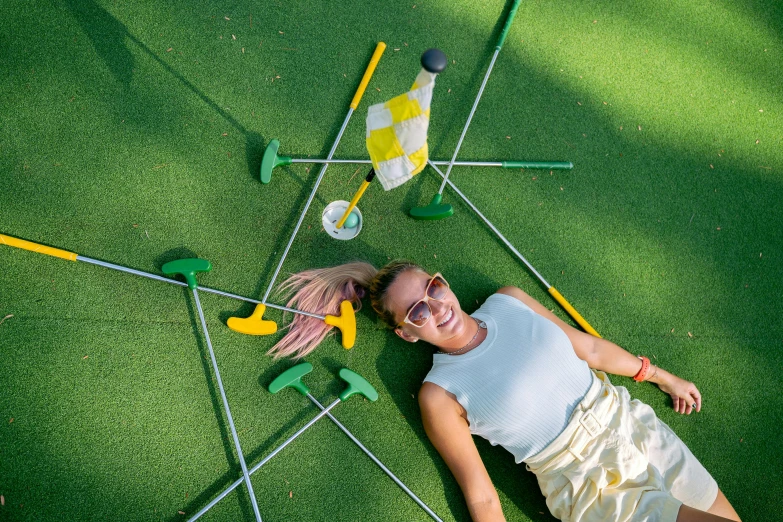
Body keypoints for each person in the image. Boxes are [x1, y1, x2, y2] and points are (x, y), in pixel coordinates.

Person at [268, 260, 742, 522]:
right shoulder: (439, 393)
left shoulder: (509, 301)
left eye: (432, 288)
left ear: (443, 281)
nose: (435, 307)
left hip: (632, 425)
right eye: (416, 312)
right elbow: (481, 496)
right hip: (588, 484)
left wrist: (660, 376)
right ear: (407, 335)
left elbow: (592, 351)